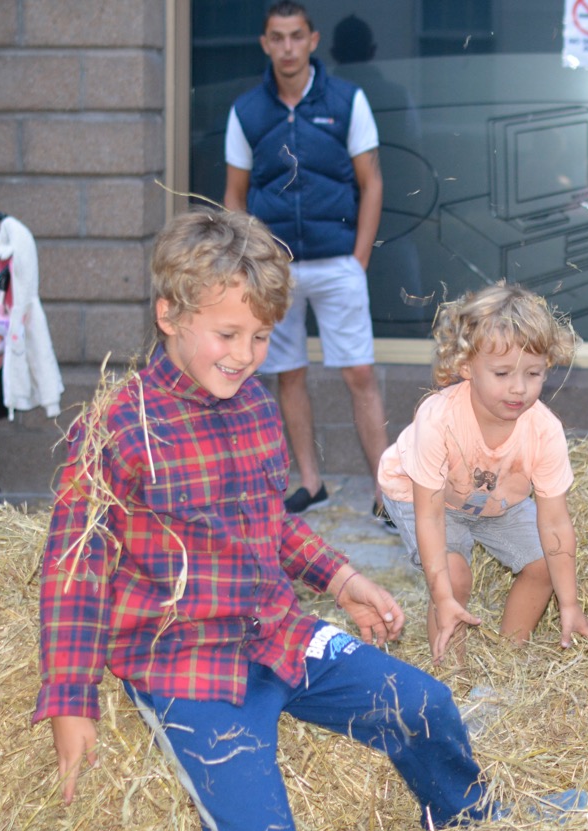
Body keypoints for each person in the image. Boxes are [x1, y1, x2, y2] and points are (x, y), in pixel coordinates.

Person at [33, 212, 583, 831]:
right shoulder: (119, 430)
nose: (245, 354)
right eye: (228, 334)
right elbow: (73, 570)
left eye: (262, 336)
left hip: (280, 636)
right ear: (170, 316)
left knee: (425, 706)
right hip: (188, 666)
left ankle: (468, 815)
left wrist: (345, 580)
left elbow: (273, 524)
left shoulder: (252, 406)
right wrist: (69, 699)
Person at [223, 1, 392, 525]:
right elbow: (234, 196)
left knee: (359, 373)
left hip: (339, 260)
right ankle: (311, 484)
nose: (289, 48)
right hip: (277, 269)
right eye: (278, 37)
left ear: (313, 41)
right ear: (265, 43)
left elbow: (372, 183)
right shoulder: (247, 111)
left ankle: (387, 495)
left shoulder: (347, 101)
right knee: (288, 374)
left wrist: (358, 258)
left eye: (297, 37)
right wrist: (252, 262)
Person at [377, 284, 588, 665]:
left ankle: (506, 661)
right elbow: (430, 515)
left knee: (542, 563)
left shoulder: (544, 431)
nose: (519, 388)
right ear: (466, 366)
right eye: (502, 373)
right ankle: (450, 675)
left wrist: (570, 604)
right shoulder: (439, 419)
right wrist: (444, 596)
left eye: (533, 373)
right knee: (455, 576)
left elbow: (554, 523)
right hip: (422, 497)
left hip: (496, 501)